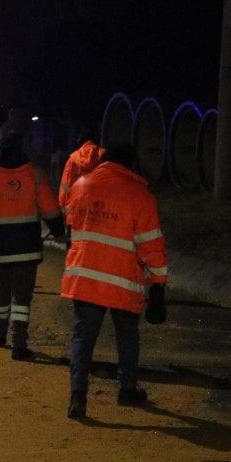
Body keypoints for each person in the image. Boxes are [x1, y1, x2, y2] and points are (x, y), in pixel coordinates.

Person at [61, 142, 168, 418]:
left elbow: (73, 225)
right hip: (122, 280)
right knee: (127, 336)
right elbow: (150, 244)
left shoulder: (82, 184)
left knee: (83, 337)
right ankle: (127, 389)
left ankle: (78, 396)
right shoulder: (139, 194)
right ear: (130, 164)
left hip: (85, 277)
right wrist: (158, 284)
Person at [0, 132, 65, 361]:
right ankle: (19, 343)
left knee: (0, 294)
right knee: (22, 298)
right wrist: (58, 232)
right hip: (27, 249)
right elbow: (50, 208)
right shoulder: (34, 174)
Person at [58, 131, 104, 212]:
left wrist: (63, 207)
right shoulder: (104, 157)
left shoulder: (73, 159)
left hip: (76, 209)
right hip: (100, 209)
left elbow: (66, 185)